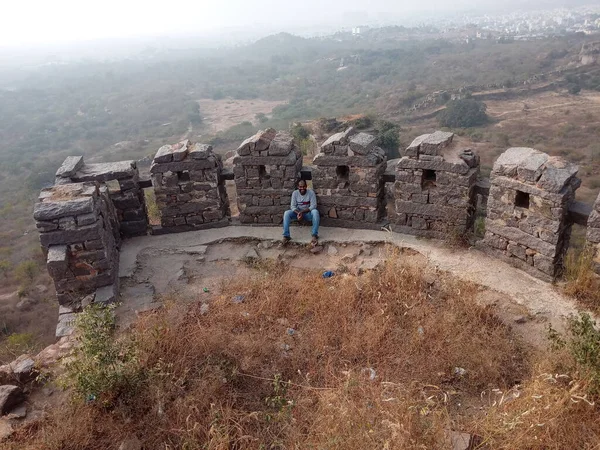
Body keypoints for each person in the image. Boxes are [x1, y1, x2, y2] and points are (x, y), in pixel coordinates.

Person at [282, 180, 320, 245]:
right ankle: (286, 236)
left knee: (315, 212)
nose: (302, 188)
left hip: (308, 214)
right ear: (298, 187)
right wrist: (298, 213)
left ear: (306, 186)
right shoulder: (295, 193)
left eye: (303, 186)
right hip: (297, 213)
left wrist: (302, 212)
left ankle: (314, 235)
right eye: (300, 187)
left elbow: (313, 205)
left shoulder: (311, 193)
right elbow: (293, 206)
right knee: (286, 213)